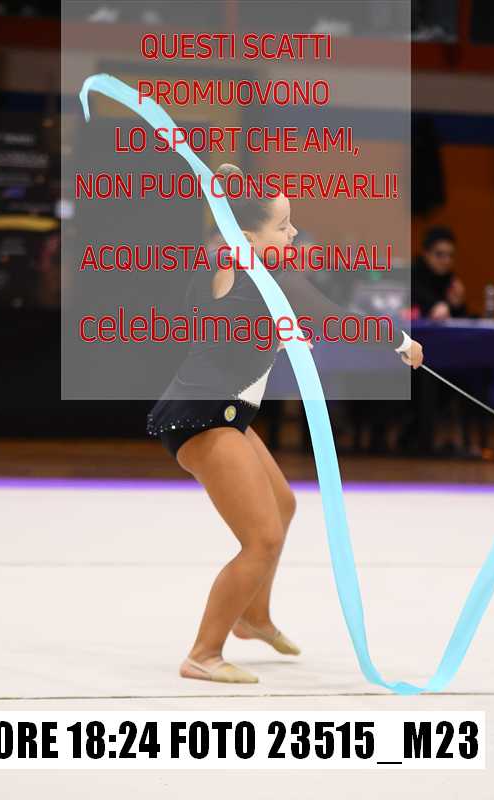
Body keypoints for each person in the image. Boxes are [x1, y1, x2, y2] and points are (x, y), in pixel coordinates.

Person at [146, 163, 424, 684]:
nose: (294, 233)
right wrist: (401, 342)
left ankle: (253, 616)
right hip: (204, 416)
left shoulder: (237, 270)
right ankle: (203, 653)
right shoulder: (257, 273)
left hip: (225, 413)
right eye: (282, 225)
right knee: (263, 539)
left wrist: (228, 186)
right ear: (248, 236)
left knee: (283, 504)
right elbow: (335, 318)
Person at [412, 226, 468, 320]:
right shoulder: (410, 277)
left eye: (450, 255)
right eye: (439, 254)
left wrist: (457, 306)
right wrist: (432, 307)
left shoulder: (451, 281)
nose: (446, 261)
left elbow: (460, 320)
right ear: (426, 254)